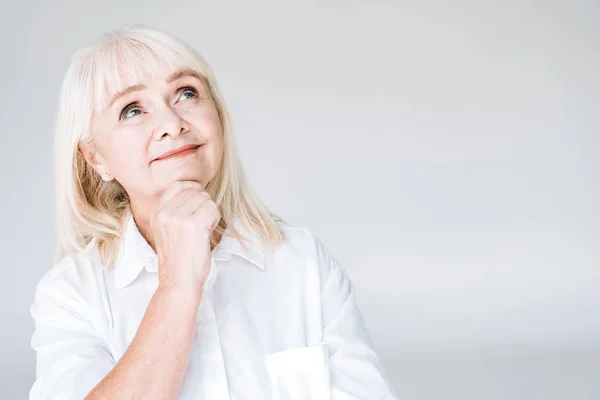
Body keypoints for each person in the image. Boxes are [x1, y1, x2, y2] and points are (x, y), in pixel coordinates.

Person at [28, 24, 398, 400]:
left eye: (186, 92)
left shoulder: (303, 262)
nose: (172, 124)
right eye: (132, 110)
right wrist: (177, 286)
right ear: (95, 158)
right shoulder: (70, 296)